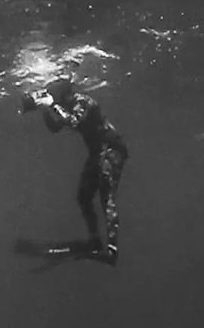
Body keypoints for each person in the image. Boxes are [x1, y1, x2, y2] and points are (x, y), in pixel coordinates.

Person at [20, 78, 128, 265]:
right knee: (83, 197)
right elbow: (55, 128)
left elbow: (74, 122)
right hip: (97, 153)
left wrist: (52, 105)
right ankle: (95, 241)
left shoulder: (83, 101)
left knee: (107, 198)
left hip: (111, 149)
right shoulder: (66, 105)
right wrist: (45, 110)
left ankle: (112, 250)